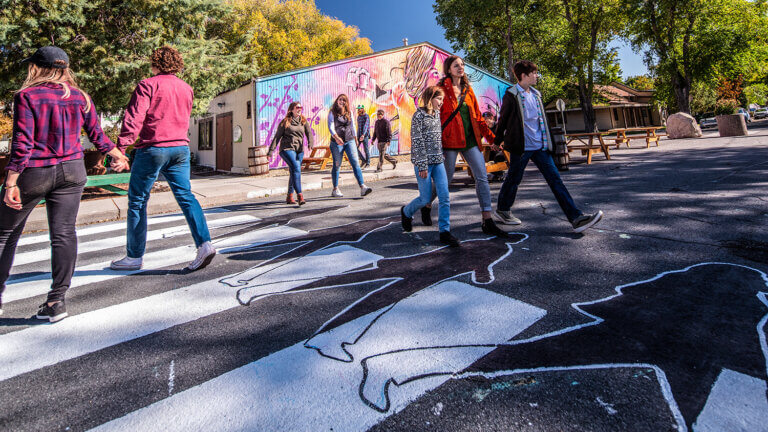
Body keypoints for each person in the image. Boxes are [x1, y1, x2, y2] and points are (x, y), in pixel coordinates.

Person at [0, 46, 129, 322]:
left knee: (5, 233)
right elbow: (98, 135)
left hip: (35, 172)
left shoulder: (26, 96)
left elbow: (22, 144)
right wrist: (117, 154)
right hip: (72, 171)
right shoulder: (80, 97)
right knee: (63, 234)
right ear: (64, 69)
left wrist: (11, 181)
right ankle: (57, 301)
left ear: (37, 68)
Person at [110, 46, 216, 272]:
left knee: (138, 200)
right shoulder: (187, 88)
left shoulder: (147, 85)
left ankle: (134, 256)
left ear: (155, 63)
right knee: (186, 196)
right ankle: (204, 243)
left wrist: (121, 149)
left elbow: (134, 119)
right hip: (180, 148)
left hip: (153, 148)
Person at [494, 60, 603, 233]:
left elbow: (542, 121)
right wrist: (496, 140)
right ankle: (503, 209)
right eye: (534, 73)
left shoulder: (537, 95)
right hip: (521, 147)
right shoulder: (512, 94)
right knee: (513, 179)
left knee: (555, 180)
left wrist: (550, 143)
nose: (537, 76)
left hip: (540, 147)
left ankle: (576, 218)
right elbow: (503, 119)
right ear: (524, 75)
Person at [422, 55, 508, 237]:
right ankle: (426, 203)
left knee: (482, 176)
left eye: (462, 64)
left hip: (470, 140)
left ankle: (487, 219)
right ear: (448, 69)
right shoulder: (440, 90)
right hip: (449, 141)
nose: (460, 67)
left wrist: (492, 139)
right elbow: (432, 115)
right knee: (446, 178)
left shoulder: (469, 91)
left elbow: (478, 118)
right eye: (456, 65)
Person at [400, 86, 459, 247]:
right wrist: (422, 165)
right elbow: (418, 142)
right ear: (430, 98)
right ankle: (406, 212)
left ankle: (444, 232)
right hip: (424, 164)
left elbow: (436, 137)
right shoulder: (418, 116)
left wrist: (440, 152)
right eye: (439, 98)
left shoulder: (437, 115)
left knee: (445, 196)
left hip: (438, 162)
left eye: (442, 98)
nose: (441, 101)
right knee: (425, 198)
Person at [267, 101, 314, 205]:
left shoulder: (303, 121)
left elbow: (309, 133)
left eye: (301, 107)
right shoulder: (285, 122)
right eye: (297, 107)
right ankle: (300, 196)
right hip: (286, 149)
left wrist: (310, 143)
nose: (299, 109)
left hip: (299, 150)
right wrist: (270, 151)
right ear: (291, 109)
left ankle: (289, 196)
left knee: (294, 171)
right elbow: (277, 137)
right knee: (297, 168)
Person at [327, 94, 372, 198]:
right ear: (337, 101)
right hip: (337, 142)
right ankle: (335, 189)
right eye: (340, 99)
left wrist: (355, 138)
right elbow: (331, 126)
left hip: (349, 140)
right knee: (337, 165)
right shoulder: (332, 113)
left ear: (346, 102)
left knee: (355, 162)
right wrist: (337, 138)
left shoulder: (349, 112)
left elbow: (352, 126)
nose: (342, 101)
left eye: (344, 100)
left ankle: (362, 187)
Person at [483, 111, 506, 182]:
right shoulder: (485, 128)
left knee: (497, 157)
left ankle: (499, 173)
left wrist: (498, 144)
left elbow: (504, 138)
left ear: (492, 118)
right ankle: (497, 173)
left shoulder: (498, 126)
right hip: (491, 149)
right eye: (484, 120)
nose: (486, 122)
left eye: (487, 120)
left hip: (501, 149)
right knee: (484, 157)